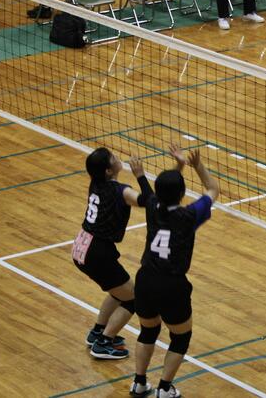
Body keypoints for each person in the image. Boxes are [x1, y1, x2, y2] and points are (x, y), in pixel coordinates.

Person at [129, 145, 219, 398]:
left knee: (148, 331)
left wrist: (148, 174)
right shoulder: (189, 215)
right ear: (182, 193)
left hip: (146, 279)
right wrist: (196, 166)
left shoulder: (152, 206)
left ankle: (139, 383)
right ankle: (165, 388)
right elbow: (213, 190)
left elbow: (159, 192)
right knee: (180, 337)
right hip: (171, 285)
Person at [72, 148, 144, 360]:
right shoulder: (121, 191)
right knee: (133, 299)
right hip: (97, 252)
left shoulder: (95, 183)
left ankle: (98, 331)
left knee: (119, 290)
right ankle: (104, 342)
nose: (117, 157)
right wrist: (140, 175)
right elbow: (147, 201)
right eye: (113, 157)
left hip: (81, 246)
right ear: (108, 171)